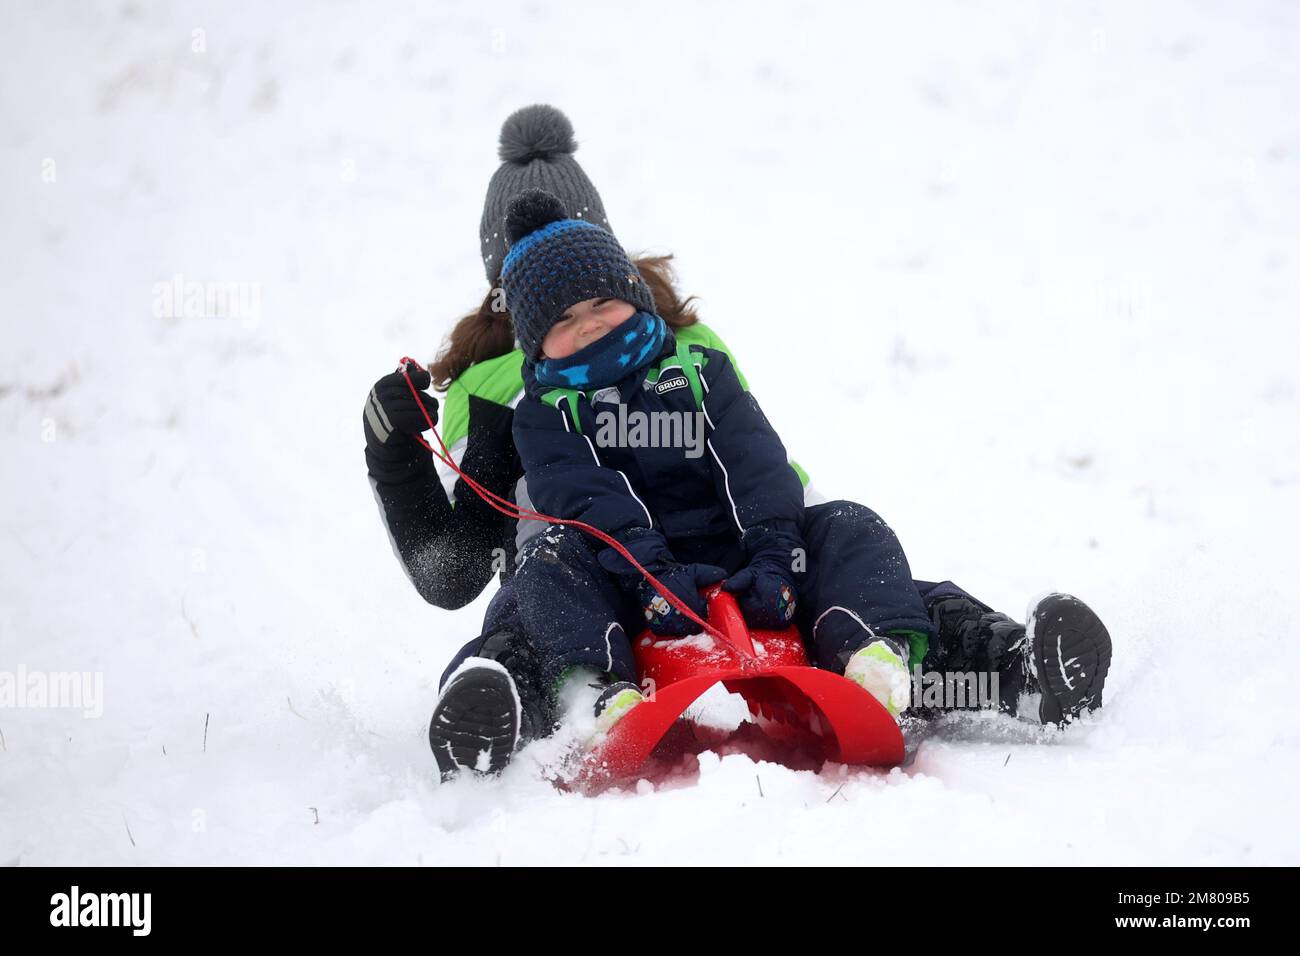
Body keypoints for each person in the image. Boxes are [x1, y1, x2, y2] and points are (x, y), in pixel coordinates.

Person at [362, 105, 1111, 778]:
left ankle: (1014, 672)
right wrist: (400, 456)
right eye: (560, 312)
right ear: (516, 296)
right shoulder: (500, 396)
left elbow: (759, 464)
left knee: (869, 577)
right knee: (533, 614)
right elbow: (453, 569)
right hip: (596, 595)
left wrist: (787, 553)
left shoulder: (688, 351)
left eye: (599, 297)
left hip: (746, 562)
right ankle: (499, 709)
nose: (588, 323)